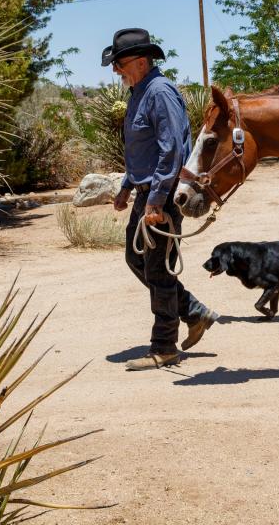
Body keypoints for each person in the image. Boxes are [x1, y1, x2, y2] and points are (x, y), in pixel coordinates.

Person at [102, 28, 218, 370]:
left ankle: (165, 346)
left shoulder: (160, 92)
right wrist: (127, 186)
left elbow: (173, 152)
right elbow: (145, 149)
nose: (116, 70)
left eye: (120, 63)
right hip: (146, 193)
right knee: (137, 260)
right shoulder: (140, 91)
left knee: (157, 269)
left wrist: (155, 201)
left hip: (162, 197)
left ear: (140, 61)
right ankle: (194, 312)